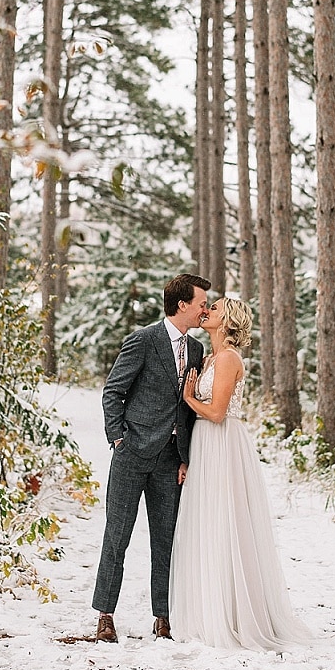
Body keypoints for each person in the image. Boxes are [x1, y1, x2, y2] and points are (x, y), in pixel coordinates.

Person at [169, 297, 311, 652]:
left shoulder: (230, 358)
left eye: (213, 309)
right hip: (203, 445)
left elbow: (216, 412)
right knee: (205, 524)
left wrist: (188, 396)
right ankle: (207, 610)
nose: (207, 312)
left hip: (222, 442)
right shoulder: (208, 357)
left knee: (226, 523)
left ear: (227, 319)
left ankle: (233, 614)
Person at [92, 272, 211, 643]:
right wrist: (118, 440)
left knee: (166, 540)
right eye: (201, 303)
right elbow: (113, 392)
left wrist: (185, 456)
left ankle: (163, 618)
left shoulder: (196, 351)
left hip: (170, 460)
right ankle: (105, 616)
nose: (205, 309)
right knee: (117, 536)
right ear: (182, 305)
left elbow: (188, 410)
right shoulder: (143, 340)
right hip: (132, 454)